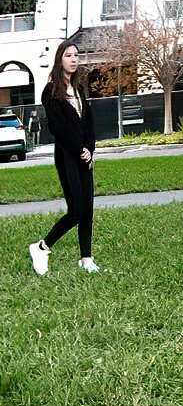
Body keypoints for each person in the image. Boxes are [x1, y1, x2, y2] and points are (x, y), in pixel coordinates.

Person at [27, 41, 98, 275]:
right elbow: (59, 127)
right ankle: (41, 247)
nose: (74, 59)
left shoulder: (78, 89)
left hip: (84, 155)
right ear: (60, 59)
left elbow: (88, 123)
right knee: (76, 209)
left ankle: (86, 259)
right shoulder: (51, 91)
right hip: (67, 155)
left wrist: (90, 148)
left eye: (76, 55)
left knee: (88, 209)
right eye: (69, 55)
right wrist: (80, 149)